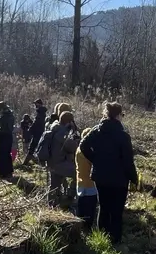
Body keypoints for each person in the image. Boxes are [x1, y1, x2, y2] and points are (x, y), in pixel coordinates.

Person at [80, 102, 137, 243]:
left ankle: (102, 238)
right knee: (117, 211)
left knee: (104, 208)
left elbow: (83, 145)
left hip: (101, 176)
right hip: (119, 178)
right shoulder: (123, 136)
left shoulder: (97, 130)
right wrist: (134, 178)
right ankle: (115, 240)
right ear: (118, 115)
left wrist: (95, 160)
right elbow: (128, 161)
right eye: (122, 115)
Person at [44, 111, 78, 206]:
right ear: (69, 122)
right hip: (60, 163)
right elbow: (73, 147)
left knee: (54, 185)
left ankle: (51, 205)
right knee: (78, 173)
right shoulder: (63, 133)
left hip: (51, 162)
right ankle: (70, 196)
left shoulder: (54, 128)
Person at [75, 126, 99, 230]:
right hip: (91, 184)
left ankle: (80, 225)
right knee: (90, 207)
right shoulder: (91, 152)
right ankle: (87, 228)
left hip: (80, 182)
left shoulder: (78, 150)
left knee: (81, 205)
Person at [0, 102, 16, 179]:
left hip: (3, 137)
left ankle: (3, 173)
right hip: (9, 137)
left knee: (1, 155)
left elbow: (3, 129)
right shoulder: (11, 115)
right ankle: (9, 171)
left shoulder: (4, 117)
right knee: (7, 154)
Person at [24, 98, 47, 163]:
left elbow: (36, 123)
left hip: (37, 132)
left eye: (36, 104)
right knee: (34, 147)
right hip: (39, 132)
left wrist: (30, 130)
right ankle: (33, 160)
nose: (35, 105)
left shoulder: (40, 112)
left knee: (32, 147)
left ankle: (27, 162)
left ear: (39, 104)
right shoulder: (41, 112)